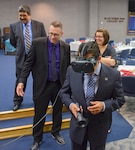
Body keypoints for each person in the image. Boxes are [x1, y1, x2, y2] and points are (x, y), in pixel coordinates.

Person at [59, 41, 125, 150]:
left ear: (99, 59)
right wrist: (71, 105)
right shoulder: (73, 71)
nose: (84, 67)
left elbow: (120, 100)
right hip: (78, 124)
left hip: (99, 126)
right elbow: (63, 93)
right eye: (82, 60)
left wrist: (103, 105)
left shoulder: (113, 75)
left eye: (88, 63)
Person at [16, 21, 70, 150]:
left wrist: (69, 85)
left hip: (58, 85)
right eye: (50, 33)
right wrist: (21, 81)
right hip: (42, 85)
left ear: (61, 34)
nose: (52, 37)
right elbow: (28, 64)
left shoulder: (65, 47)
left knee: (57, 112)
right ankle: (37, 139)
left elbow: (67, 67)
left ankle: (55, 132)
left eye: (56, 34)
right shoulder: (37, 43)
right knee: (39, 113)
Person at [10, 5, 47, 111]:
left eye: (24, 15)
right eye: (20, 15)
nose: (22, 17)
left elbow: (44, 39)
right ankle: (17, 101)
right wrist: (22, 49)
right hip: (22, 58)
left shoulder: (39, 25)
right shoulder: (14, 26)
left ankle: (38, 100)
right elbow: (13, 42)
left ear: (30, 15)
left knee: (39, 80)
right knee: (20, 80)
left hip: (37, 58)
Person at [95, 28, 117, 133]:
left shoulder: (110, 49)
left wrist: (97, 58)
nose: (98, 38)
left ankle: (107, 126)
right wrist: (105, 60)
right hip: (94, 78)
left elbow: (112, 63)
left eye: (100, 36)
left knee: (106, 104)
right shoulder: (93, 47)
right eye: (97, 36)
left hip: (107, 79)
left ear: (105, 37)